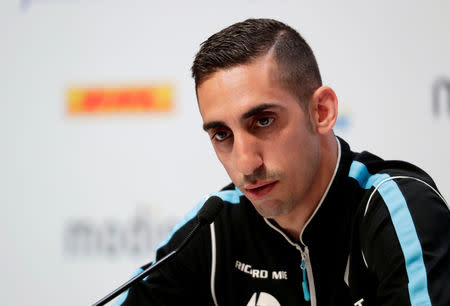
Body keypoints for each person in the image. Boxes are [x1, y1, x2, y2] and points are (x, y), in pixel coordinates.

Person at [118, 18, 450, 306]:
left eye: (263, 121)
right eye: (222, 134)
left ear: (321, 112)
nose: (245, 164)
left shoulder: (394, 209)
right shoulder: (216, 227)